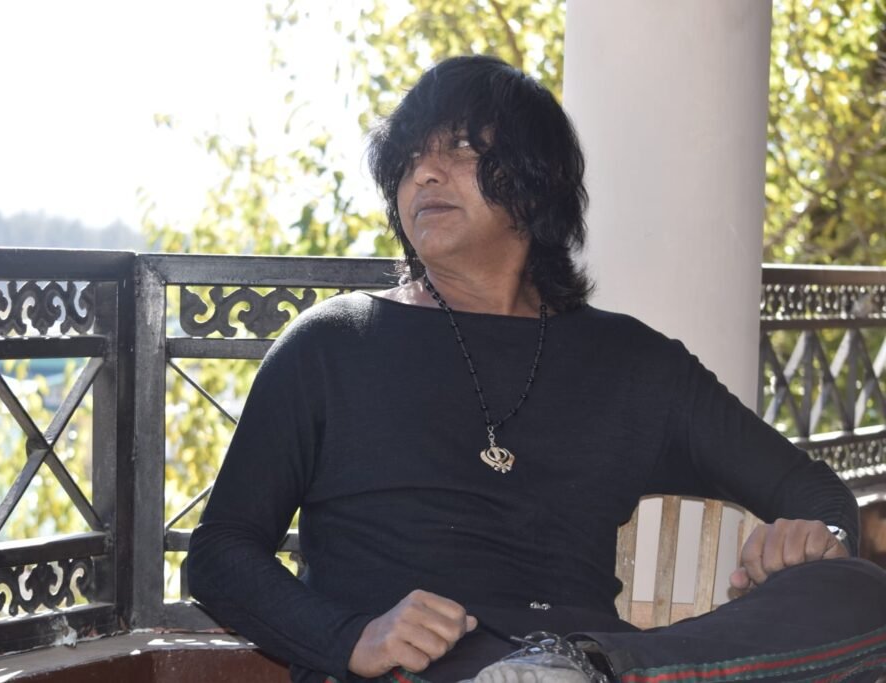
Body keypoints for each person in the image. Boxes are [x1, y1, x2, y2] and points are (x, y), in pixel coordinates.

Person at [188, 55, 886, 683]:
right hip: (417, 672)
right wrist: (352, 638)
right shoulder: (331, 344)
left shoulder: (632, 362)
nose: (423, 172)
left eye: (459, 147)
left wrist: (816, 537)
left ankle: (578, 669)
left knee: (863, 593)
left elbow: (812, 491)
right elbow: (219, 552)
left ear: (536, 180)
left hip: (599, 662)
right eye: (409, 159)